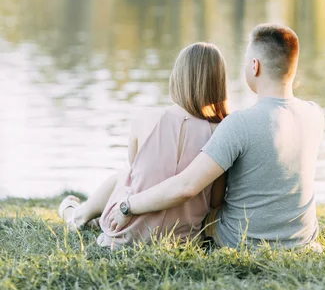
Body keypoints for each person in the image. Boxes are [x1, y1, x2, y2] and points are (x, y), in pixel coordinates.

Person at [108, 24, 325, 250]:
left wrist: (128, 206)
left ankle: (81, 213)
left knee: (195, 208)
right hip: (301, 239)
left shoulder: (238, 123)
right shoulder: (315, 115)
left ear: (255, 66)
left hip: (242, 240)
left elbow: (186, 187)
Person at [58, 42, 228, 247]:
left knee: (123, 176)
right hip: (181, 239)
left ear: (177, 77)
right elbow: (215, 201)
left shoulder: (146, 117)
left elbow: (135, 175)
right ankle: (80, 214)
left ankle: (75, 215)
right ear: (218, 83)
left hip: (126, 233)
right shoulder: (221, 132)